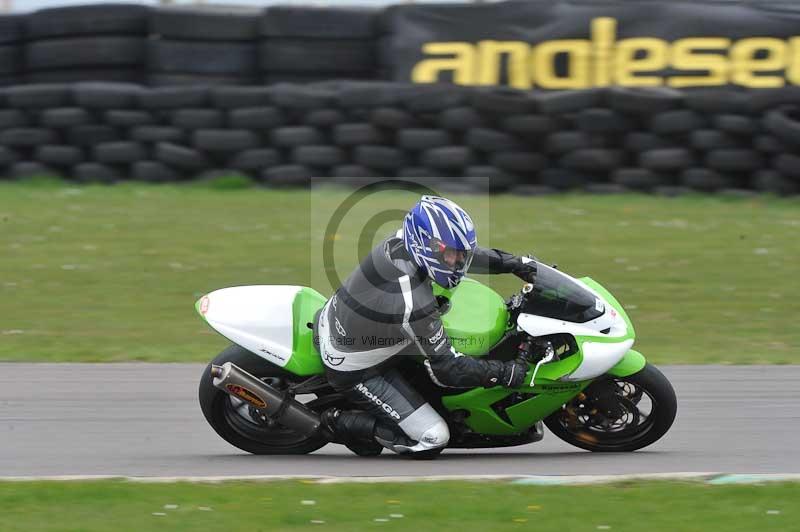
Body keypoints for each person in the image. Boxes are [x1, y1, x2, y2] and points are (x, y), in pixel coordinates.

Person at [315, 195, 538, 456]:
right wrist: (505, 373)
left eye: (459, 254)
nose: (457, 263)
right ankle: (333, 422)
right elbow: (447, 370)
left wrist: (516, 264)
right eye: (451, 256)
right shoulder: (412, 301)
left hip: (349, 320)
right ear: (427, 245)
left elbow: (466, 256)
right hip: (355, 367)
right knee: (433, 437)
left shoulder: (404, 241)